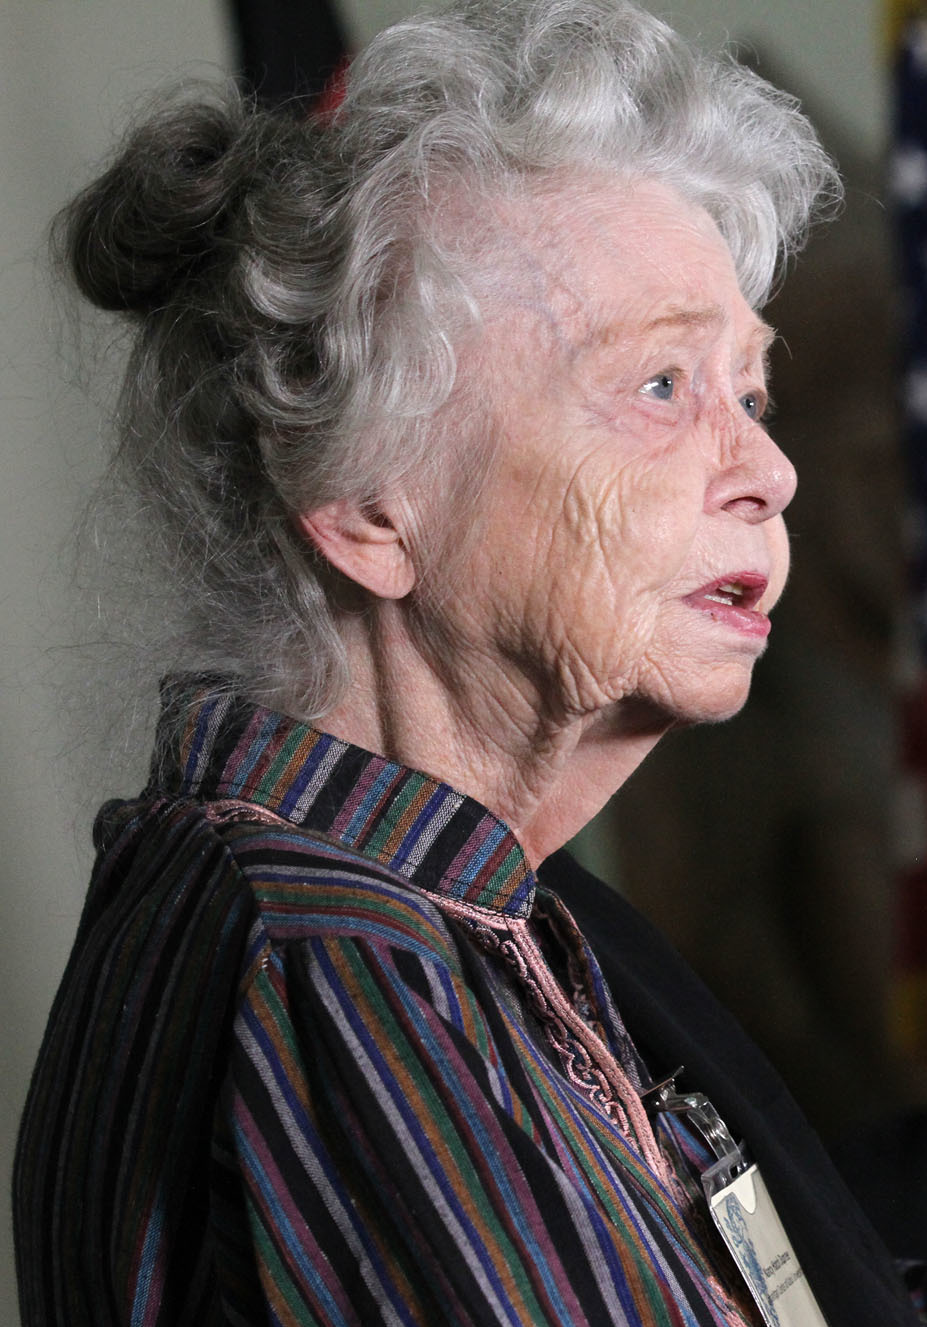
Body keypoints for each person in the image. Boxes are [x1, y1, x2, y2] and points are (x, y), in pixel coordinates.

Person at [12, 1, 921, 1323]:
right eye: (664, 387)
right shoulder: (341, 979)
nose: (771, 473)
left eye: (753, 393)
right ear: (373, 500)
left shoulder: (457, 919)